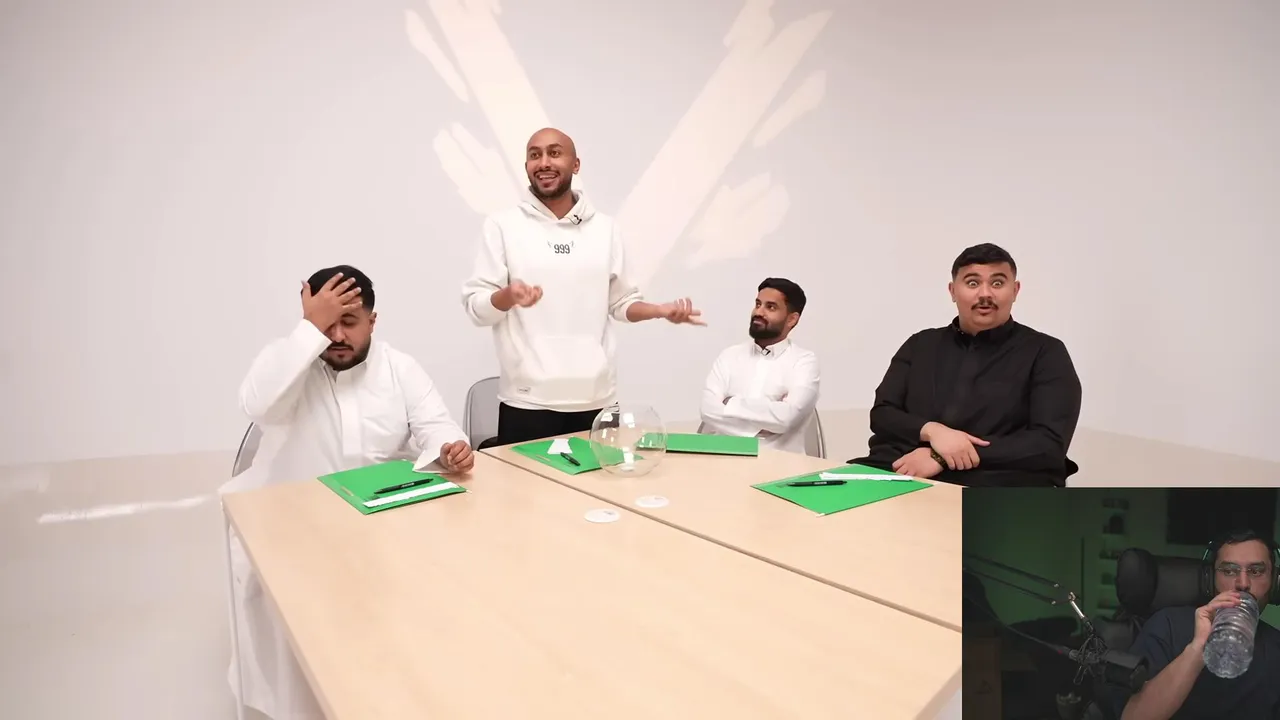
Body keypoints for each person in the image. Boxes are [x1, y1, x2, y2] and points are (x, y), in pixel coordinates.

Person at [222, 265, 473, 720]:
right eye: (326, 322)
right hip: (295, 533)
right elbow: (257, 405)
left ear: (373, 321)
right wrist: (308, 330)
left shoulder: (400, 368)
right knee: (310, 667)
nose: (337, 336)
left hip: (383, 529)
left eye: (349, 322)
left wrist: (449, 447)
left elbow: (437, 426)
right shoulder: (288, 361)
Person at [461, 127, 705, 445]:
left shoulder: (605, 229)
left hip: (596, 401)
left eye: (554, 153)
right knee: (523, 481)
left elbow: (622, 303)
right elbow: (477, 309)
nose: (544, 162)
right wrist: (508, 295)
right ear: (526, 166)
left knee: (600, 479)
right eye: (535, 155)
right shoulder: (502, 226)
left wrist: (659, 310)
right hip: (527, 403)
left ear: (575, 164)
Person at [849, 243, 1082, 487]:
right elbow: (883, 414)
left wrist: (941, 457)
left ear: (1015, 290)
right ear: (952, 291)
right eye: (972, 283)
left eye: (997, 283)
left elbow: (1048, 444)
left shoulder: (1046, 352)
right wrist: (932, 430)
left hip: (994, 481)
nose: (985, 294)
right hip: (899, 468)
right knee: (828, 497)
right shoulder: (920, 344)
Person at [1116, 529, 1280, 719]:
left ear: (1274, 583)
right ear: (1209, 580)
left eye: (1256, 571)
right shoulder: (1168, 625)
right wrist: (1198, 648)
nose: (1243, 584)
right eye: (1229, 571)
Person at [698, 278, 820, 454]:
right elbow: (708, 410)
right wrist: (762, 425)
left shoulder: (804, 362)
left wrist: (730, 403)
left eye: (771, 307)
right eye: (758, 304)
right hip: (724, 460)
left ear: (792, 319)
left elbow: (786, 418)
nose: (759, 312)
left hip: (780, 465)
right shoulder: (729, 356)